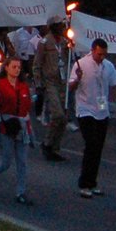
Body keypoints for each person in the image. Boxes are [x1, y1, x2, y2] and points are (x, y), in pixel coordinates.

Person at [68, 38, 116, 198]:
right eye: (99, 54)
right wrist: (77, 78)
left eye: (104, 54)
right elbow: (70, 87)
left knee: (98, 148)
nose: (101, 57)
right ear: (92, 50)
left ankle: (92, 181)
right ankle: (84, 183)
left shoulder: (108, 66)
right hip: (85, 109)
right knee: (91, 144)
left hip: (102, 110)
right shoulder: (81, 64)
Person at [0, 56, 33, 205]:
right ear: (6, 68)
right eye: (14, 67)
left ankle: (21, 192)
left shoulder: (23, 85)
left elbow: (27, 104)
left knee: (22, 161)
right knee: (6, 162)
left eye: (19, 67)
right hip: (7, 125)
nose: (17, 70)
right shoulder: (0, 84)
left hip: (22, 125)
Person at [32, 19, 70, 161]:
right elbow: (37, 64)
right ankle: (47, 143)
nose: (62, 28)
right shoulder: (44, 43)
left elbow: (68, 58)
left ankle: (54, 147)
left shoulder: (64, 42)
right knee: (57, 114)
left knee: (64, 118)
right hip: (50, 82)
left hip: (62, 81)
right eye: (59, 25)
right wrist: (38, 84)